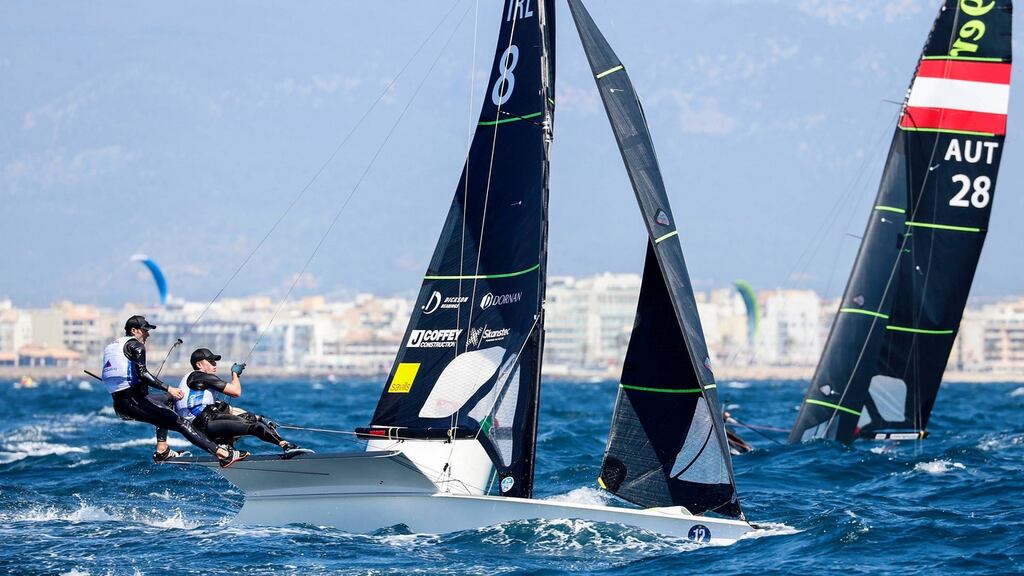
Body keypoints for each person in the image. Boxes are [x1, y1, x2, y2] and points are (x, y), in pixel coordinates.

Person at [101, 315, 248, 467]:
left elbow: (115, 377)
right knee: (181, 423)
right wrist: (168, 387)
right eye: (144, 331)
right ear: (134, 330)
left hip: (122, 404)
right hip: (133, 403)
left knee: (169, 400)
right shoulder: (136, 346)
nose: (147, 335)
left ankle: (162, 449)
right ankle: (223, 455)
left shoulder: (113, 346)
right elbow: (143, 374)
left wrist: (163, 393)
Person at [176, 347, 308, 458]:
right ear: (199, 364)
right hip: (204, 423)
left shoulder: (195, 383)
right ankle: (286, 446)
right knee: (254, 426)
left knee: (250, 418)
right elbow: (235, 392)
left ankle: (227, 447)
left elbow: (228, 409)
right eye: (211, 361)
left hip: (204, 422)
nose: (214, 364)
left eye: (215, 361)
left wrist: (260, 418)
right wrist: (234, 374)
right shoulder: (200, 376)